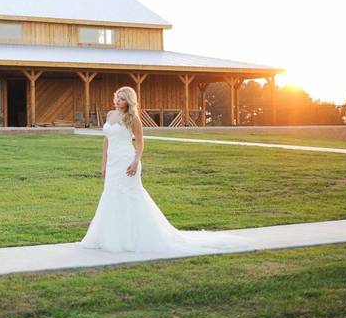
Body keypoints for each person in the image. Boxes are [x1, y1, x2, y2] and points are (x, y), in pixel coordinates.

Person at [79, 86, 254, 255]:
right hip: (113, 164)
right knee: (111, 196)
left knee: (131, 197)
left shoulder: (133, 118)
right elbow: (106, 141)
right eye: (117, 96)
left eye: (123, 98)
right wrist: (103, 164)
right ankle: (110, 236)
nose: (118, 100)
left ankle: (135, 238)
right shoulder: (110, 115)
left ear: (129, 101)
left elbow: (140, 143)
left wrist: (135, 161)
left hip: (127, 162)